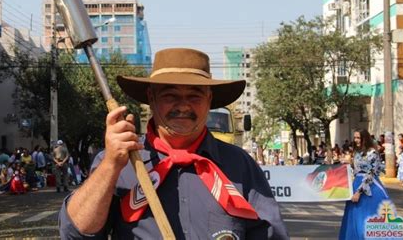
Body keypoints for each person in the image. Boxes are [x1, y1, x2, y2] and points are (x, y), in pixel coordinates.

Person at [59, 48, 288, 239]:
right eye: (170, 95)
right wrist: (110, 165)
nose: (183, 106)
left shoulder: (239, 165)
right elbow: (75, 234)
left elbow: (271, 235)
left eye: (194, 95)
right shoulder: (121, 162)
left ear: (209, 100)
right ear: (151, 98)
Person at [339, 129, 391, 240]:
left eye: (358, 138)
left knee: (366, 220)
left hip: (369, 187)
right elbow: (359, 168)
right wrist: (349, 163)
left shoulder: (372, 152)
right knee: (354, 219)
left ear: (365, 138)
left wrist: (359, 192)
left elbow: (371, 173)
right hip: (356, 183)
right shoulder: (357, 151)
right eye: (355, 137)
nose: (356, 140)